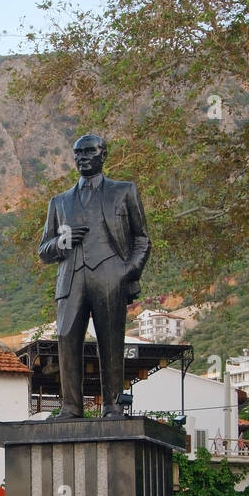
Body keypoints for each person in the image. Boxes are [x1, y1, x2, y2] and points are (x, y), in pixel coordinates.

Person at [37, 133, 152, 419]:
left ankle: (112, 405)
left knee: (110, 341)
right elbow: (44, 249)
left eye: (89, 151)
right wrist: (63, 242)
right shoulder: (60, 201)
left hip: (111, 277)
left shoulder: (124, 191)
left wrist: (128, 270)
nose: (82, 157)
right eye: (77, 153)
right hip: (71, 279)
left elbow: (142, 239)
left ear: (103, 155)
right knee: (66, 339)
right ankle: (70, 406)